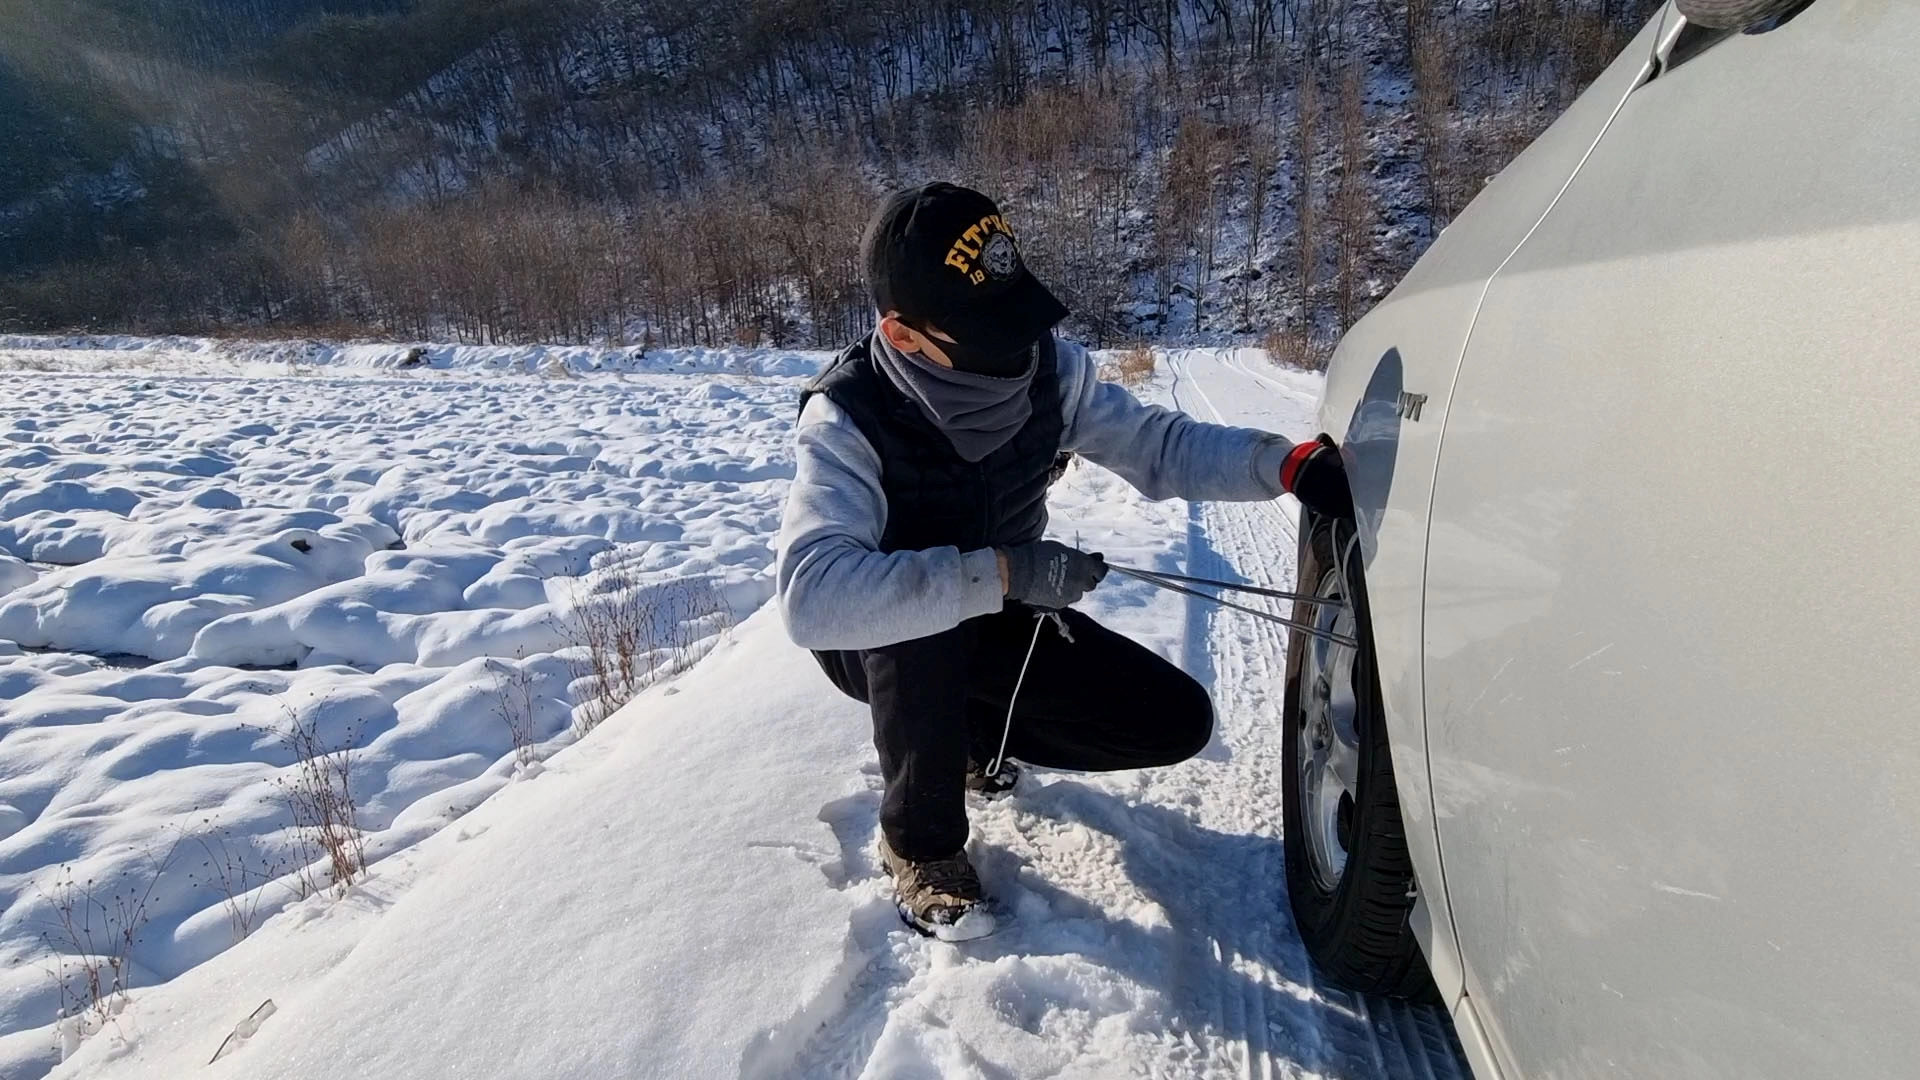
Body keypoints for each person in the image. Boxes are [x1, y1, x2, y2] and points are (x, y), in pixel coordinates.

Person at [775, 182, 1354, 939]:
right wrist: (1009, 572)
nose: (1018, 349)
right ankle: (918, 843)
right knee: (923, 626)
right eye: (990, 333)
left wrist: (1280, 464)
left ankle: (968, 736)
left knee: (1173, 720)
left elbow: (1158, 445)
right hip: (883, 645)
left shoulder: (1054, 372)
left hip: (999, 620)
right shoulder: (848, 415)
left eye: (1019, 319)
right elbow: (811, 595)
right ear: (906, 334)